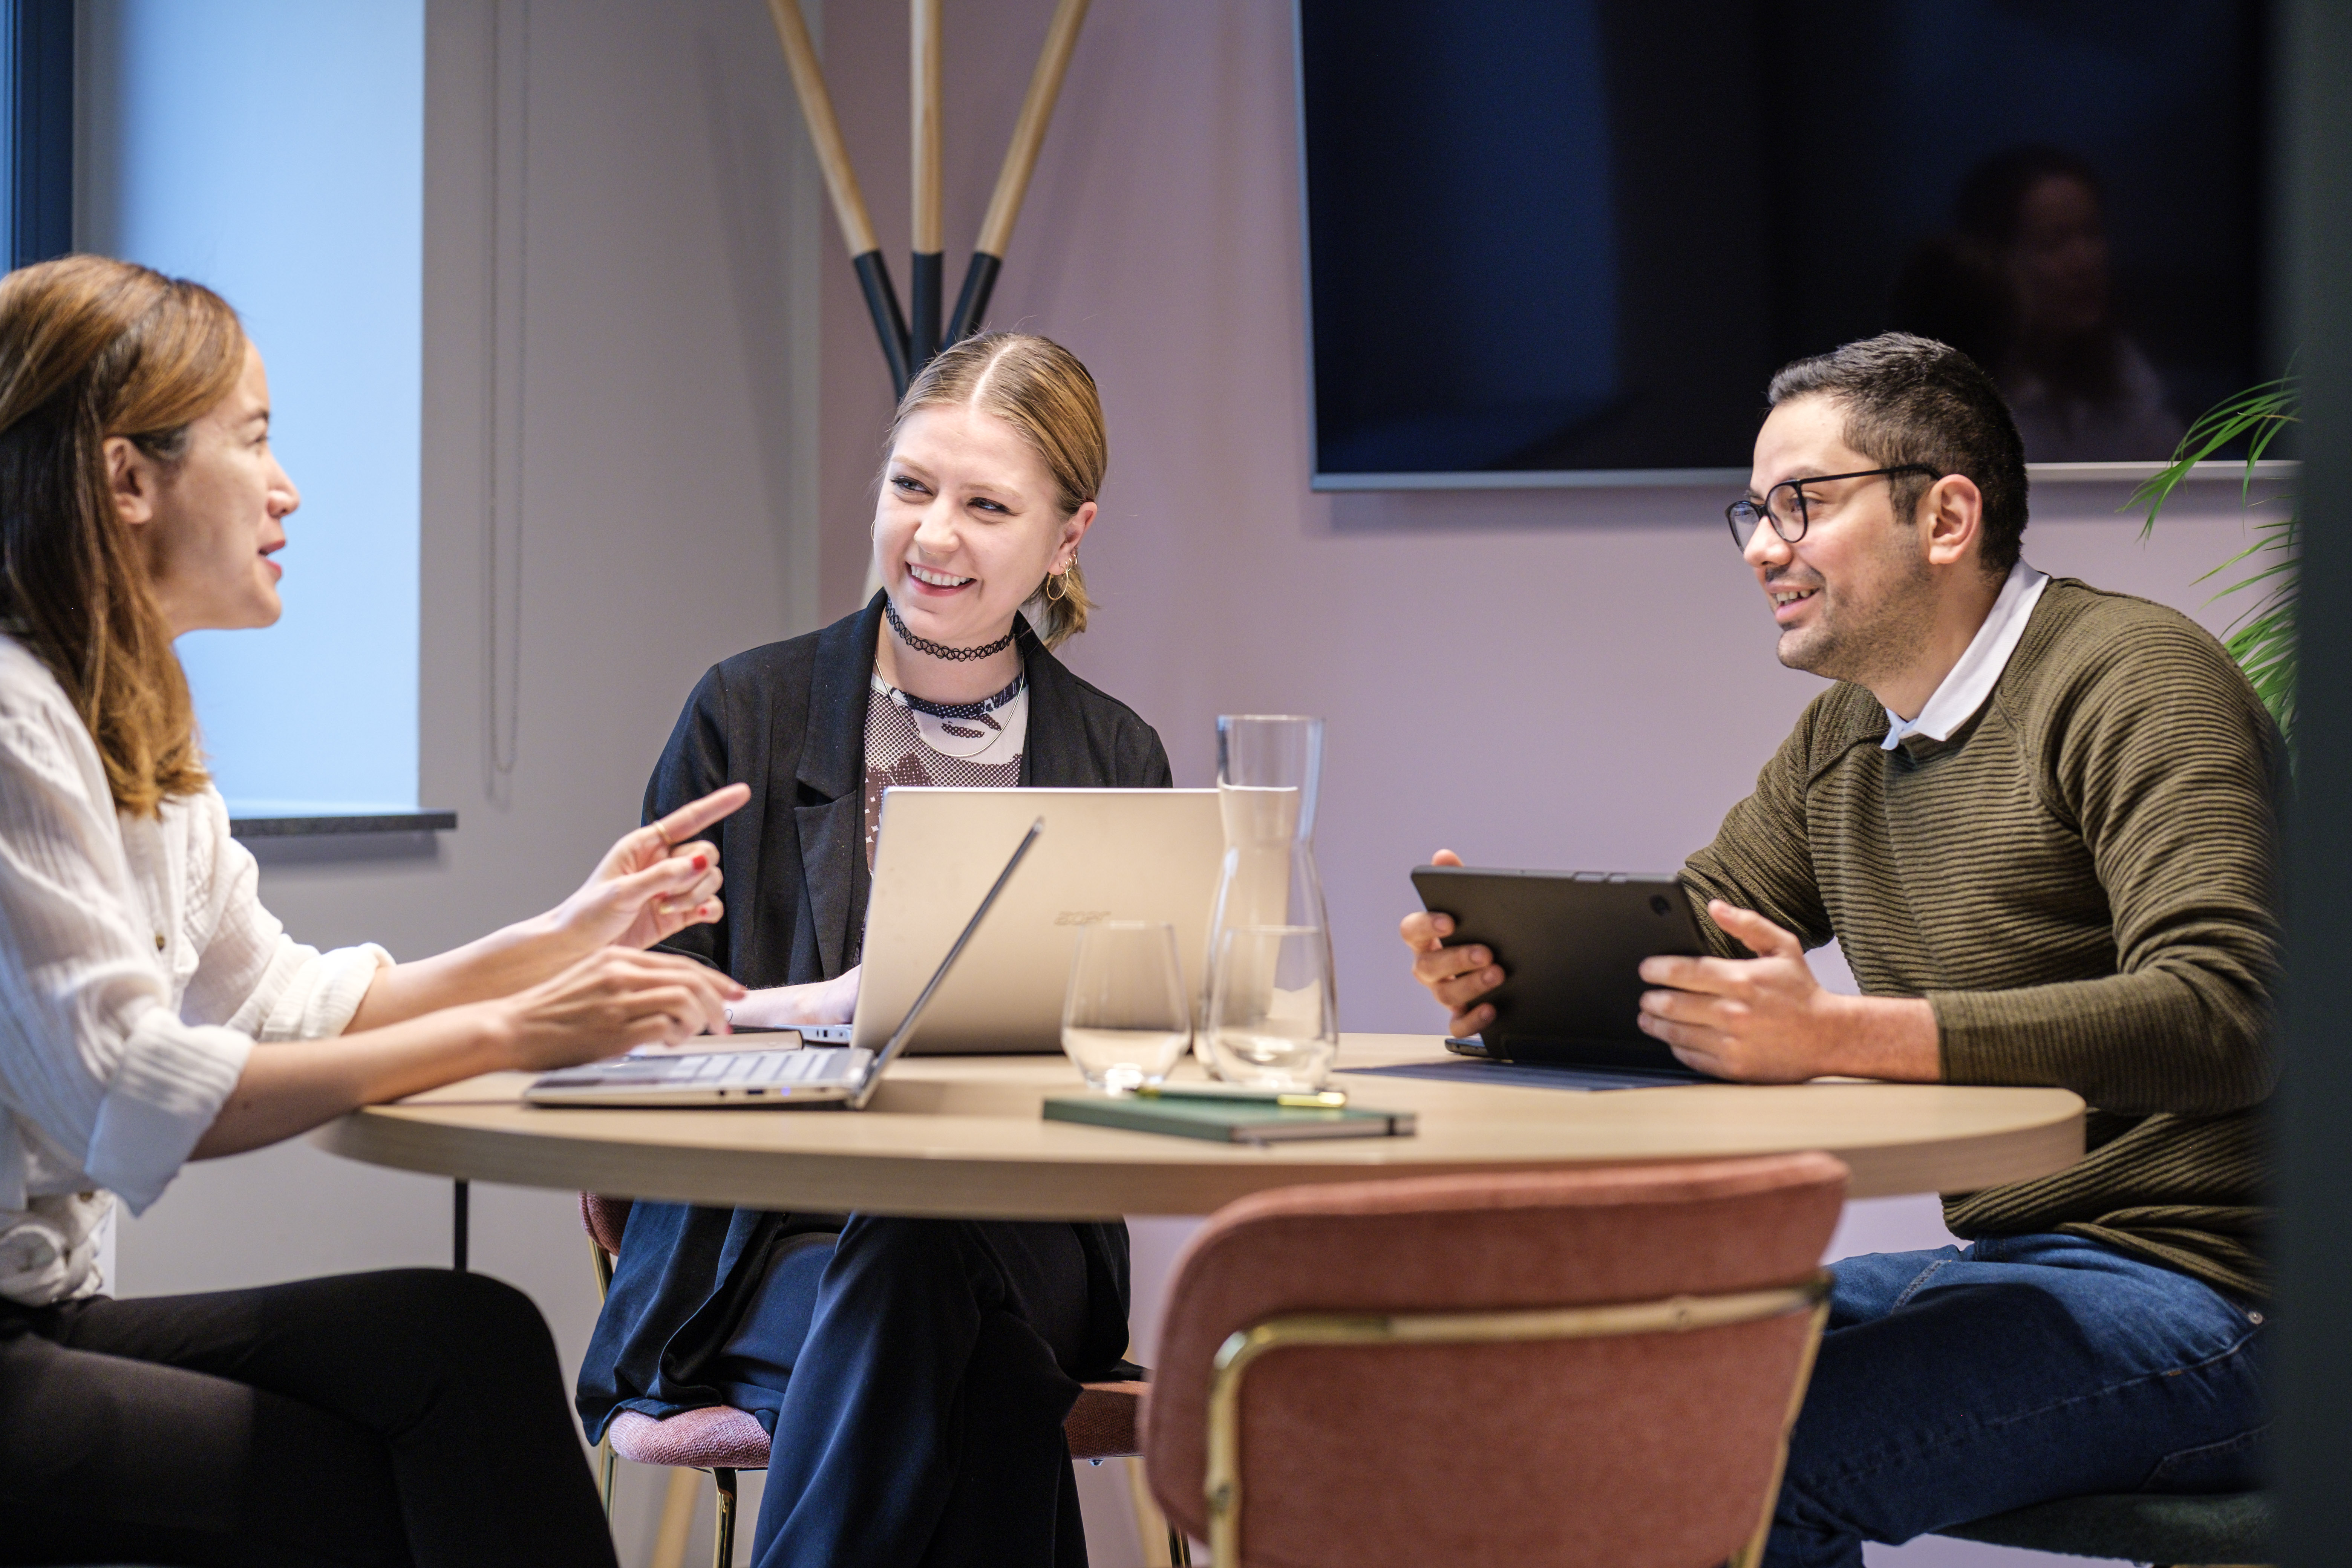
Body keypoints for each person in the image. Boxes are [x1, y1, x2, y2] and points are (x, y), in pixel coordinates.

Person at [1401, 332, 2274, 1566]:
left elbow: (2228, 1015)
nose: (1763, 548)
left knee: (1741, 1465)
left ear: (1948, 514)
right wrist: (1511, 978)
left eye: (1803, 504)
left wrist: (1839, 1036)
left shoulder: (2135, 682)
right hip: (2019, 1262)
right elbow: (1693, 951)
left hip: (2221, 1304)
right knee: (1608, 1397)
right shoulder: (1844, 741)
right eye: (1754, 512)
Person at [0, 254, 754, 1567]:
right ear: (127, 480)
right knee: (374, 1484)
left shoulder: (136, 729)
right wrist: (517, 1034)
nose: (287, 487)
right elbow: (129, 1088)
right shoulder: (14, 721)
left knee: (468, 1346)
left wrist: (573, 931)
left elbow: (292, 1006)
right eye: (254, 440)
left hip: (45, 1315)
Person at [577, 331, 1170, 1568]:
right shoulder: (747, 710)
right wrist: (821, 1004)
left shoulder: (1118, 758)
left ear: (1069, 537)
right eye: (910, 487)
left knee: (930, 1256)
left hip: (1028, 1233)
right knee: (982, 1378)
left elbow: (1148, 1055)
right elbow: (633, 1007)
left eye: (987, 505)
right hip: (761, 1238)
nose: (933, 535)